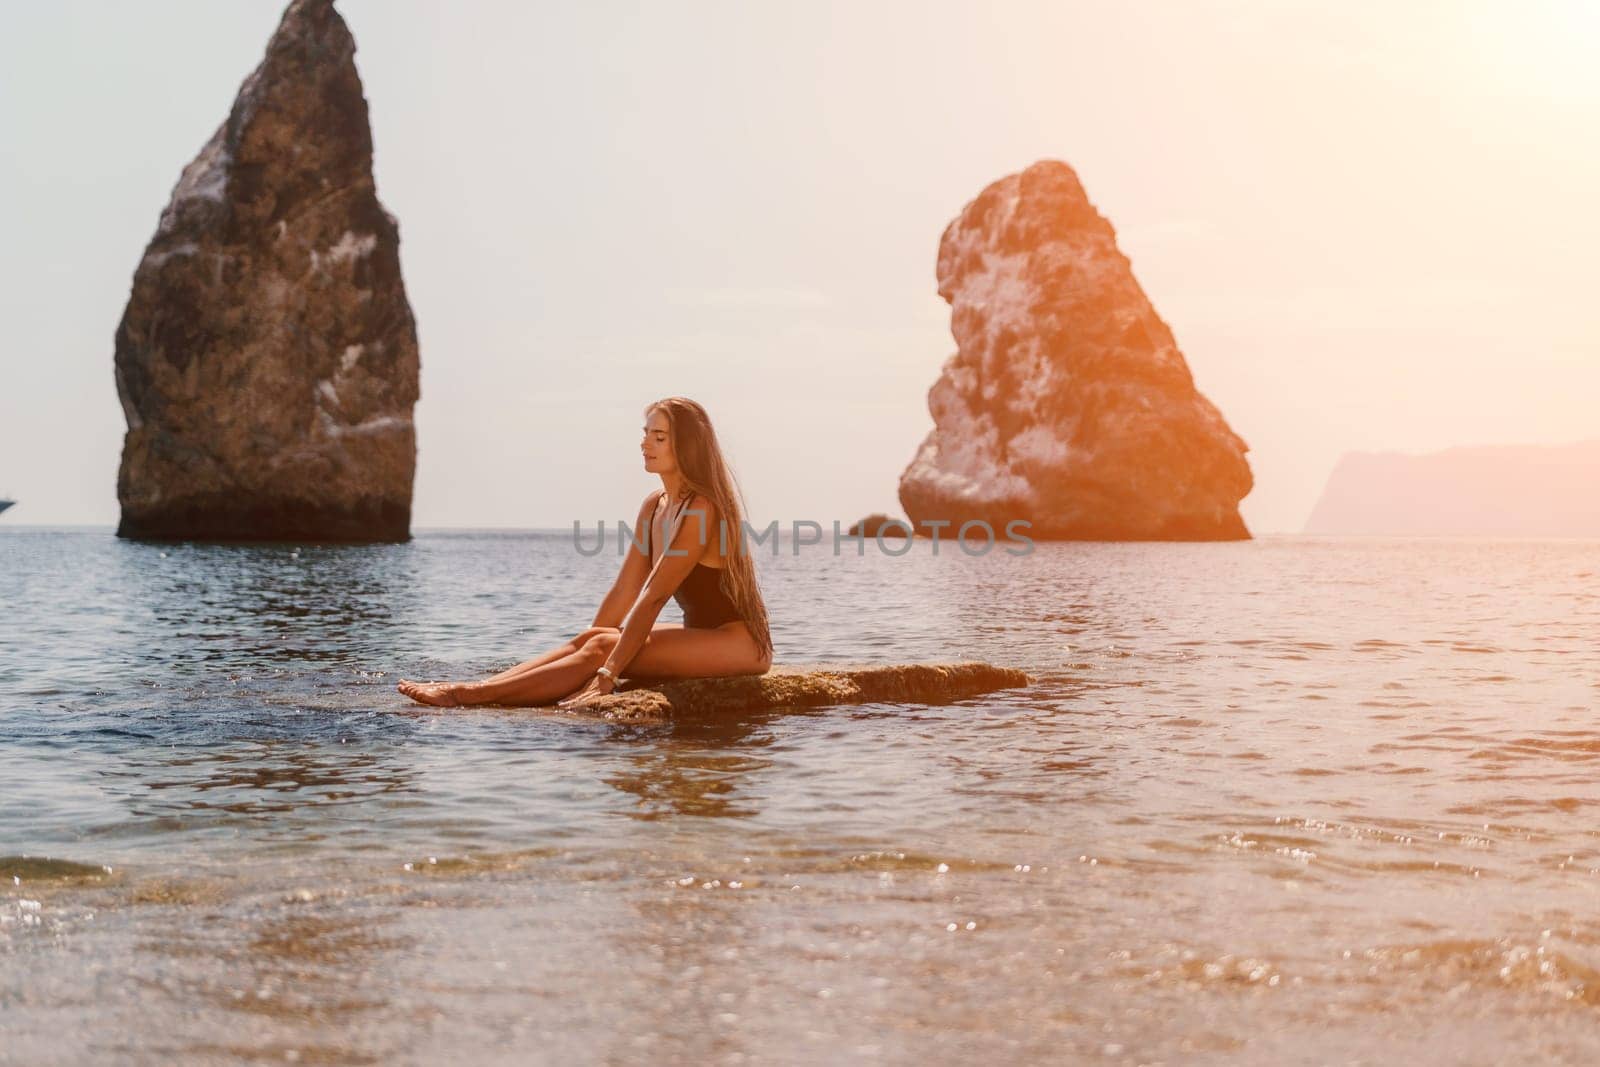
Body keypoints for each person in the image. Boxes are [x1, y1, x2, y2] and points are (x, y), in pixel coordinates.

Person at [396, 397, 774, 709]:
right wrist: (593, 644)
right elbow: (626, 590)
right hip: (702, 638)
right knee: (593, 638)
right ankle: (479, 685)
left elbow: (655, 596)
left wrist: (605, 672)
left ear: (686, 446)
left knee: (602, 646)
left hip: (739, 644)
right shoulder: (654, 506)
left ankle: (468, 697)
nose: (645, 444)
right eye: (646, 434)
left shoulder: (701, 509)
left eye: (659, 437)